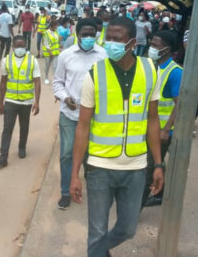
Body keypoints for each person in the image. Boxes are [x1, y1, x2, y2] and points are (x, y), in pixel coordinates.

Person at [69, 16, 164, 257]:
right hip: (100, 167)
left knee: (128, 228)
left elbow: (153, 120)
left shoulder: (150, 71)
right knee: (97, 231)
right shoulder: (95, 74)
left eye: (117, 39)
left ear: (132, 42)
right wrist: (75, 174)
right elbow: (83, 126)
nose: (110, 43)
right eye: (107, 38)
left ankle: (97, 252)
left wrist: (158, 164)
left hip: (135, 166)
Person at [52, 18, 107, 210]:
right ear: (77, 34)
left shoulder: (104, 55)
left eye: (93, 34)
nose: (89, 37)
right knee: (67, 154)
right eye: (85, 34)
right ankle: (66, 192)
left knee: (91, 155)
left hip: (94, 116)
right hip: (70, 114)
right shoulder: (65, 55)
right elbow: (57, 82)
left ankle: (90, 187)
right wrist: (66, 98)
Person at [142, 30, 183, 207]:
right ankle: (160, 195)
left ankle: (136, 208)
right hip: (147, 125)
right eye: (151, 44)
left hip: (162, 130)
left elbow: (180, 104)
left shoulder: (175, 72)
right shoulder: (151, 66)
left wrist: (166, 130)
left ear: (166, 49)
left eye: (155, 45)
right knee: (154, 162)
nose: (151, 48)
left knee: (148, 167)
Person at [0, 36, 41, 167]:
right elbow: (3, 82)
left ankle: (22, 147)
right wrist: (0, 102)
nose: (20, 48)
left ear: (25, 45)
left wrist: (37, 102)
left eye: (22, 45)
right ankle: (3, 156)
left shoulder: (32, 60)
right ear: (13, 46)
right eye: (17, 45)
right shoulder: (6, 60)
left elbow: (37, 81)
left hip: (26, 102)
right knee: (7, 128)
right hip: (10, 100)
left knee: (24, 127)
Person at [42, 20, 60, 84]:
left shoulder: (56, 32)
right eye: (56, 26)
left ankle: (55, 79)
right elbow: (46, 43)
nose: (57, 27)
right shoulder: (46, 33)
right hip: (48, 53)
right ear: (52, 26)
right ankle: (46, 77)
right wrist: (50, 52)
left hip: (56, 52)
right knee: (47, 65)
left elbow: (57, 41)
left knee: (55, 66)